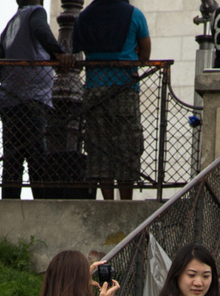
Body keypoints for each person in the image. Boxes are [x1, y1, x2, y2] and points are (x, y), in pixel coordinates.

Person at [74, 0, 150, 200]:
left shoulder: (84, 16)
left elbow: (76, 49)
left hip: (94, 88)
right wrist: (136, 61)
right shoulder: (134, 14)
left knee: (99, 148)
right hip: (124, 88)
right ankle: (125, 202)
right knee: (127, 148)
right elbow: (145, 52)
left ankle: (107, 202)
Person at [0, 0, 67, 201]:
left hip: (10, 99)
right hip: (32, 97)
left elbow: (0, 66)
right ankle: (41, 203)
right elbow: (42, 32)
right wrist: (59, 54)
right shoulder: (36, 12)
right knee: (37, 156)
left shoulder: (10, 26)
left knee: (13, 158)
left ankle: (9, 203)